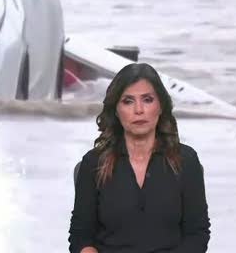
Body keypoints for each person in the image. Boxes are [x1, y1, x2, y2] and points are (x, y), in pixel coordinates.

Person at [68, 62, 210, 253]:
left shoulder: (186, 160)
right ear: (116, 110)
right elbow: (81, 236)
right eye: (128, 101)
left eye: (148, 99)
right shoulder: (93, 163)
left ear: (160, 105)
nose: (139, 110)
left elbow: (197, 234)